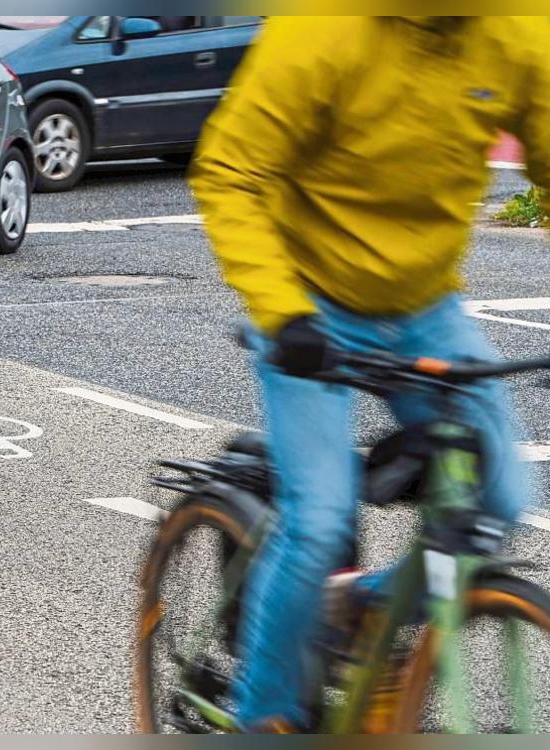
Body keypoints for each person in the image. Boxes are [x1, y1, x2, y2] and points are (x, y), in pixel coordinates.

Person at [190, 16, 549, 732]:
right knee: (320, 520)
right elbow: (229, 171)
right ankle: (260, 720)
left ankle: (359, 605)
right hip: (309, 303)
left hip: (424, 306)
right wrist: (283, 313)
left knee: (501, 501)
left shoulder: (516, 29)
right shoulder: (323, 29)